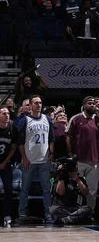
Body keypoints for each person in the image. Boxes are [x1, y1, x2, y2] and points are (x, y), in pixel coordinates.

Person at [15, 95, 54, 224]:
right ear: (31, 105)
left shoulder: (47, 119)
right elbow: (20, 142)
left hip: (44, 161)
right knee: (25, 189)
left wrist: (51, 153)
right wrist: (24, 157)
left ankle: (48, 214)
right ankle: (22, 214)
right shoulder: (25, 120)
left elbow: (51, 138)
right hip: (29, 161)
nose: (38, 105)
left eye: (40, 103)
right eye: (36, 103)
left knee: (46, 190)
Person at [66, 96, 99, 215]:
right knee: (77, 188)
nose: (92, 105)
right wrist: (70, 154)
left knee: (92, 190)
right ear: (84, 105)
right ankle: (76, 213)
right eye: (89, 103)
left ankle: (89, 213)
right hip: (79, 159)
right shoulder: (76, 119)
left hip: (94, 160)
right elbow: (69, 137)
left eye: (94, 103)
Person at [49, 156, 92, 224]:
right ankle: (72, 219)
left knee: (87, 209)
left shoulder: (80, 179)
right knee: (53, 210)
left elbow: (85, 193)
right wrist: (61, 176)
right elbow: (60, 192)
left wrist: (78, 180)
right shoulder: (59, 178)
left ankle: (66, 220)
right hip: (63, 208)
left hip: (76, 209)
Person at [0, 106, 17, 227]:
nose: (7, 115)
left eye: (8, 114)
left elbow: (14, 147)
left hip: (6, 163)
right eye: (4, 113)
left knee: (8, 190)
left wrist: (5, 162)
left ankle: (7, 216)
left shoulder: (12, 126)